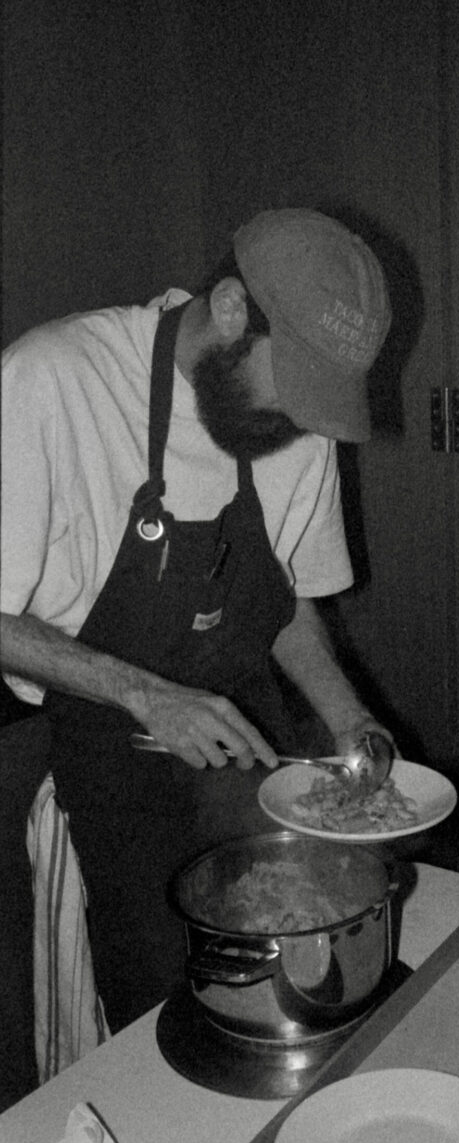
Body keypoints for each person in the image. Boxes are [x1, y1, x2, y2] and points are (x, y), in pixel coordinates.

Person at [1, 208, 394, 1029]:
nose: (295, 422)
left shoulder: (296, 422)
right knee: (158, 1016)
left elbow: (285, 604)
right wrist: (148, 695)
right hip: (109, 766)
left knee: (281, 984)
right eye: (289, 386)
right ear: (228, 309)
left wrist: (350, 721)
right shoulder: (54, 382)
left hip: (250, 749)